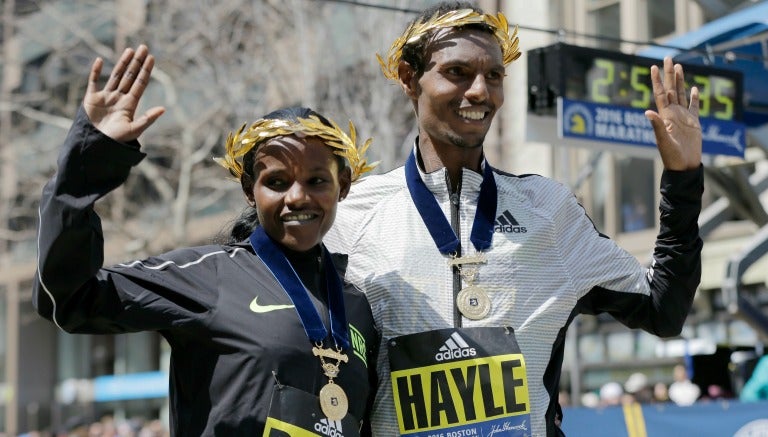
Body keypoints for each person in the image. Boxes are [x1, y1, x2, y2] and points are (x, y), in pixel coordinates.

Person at [323, 1, 703, 436]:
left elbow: (663, 309)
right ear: (410, 78)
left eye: (494, 76)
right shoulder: (352, 215)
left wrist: (683, 178)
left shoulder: (548, 210)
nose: (480, 92)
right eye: (457, 72)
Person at [32, 44, 379, 436]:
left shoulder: (356, 304)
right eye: (277, 182)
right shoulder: (209, 276)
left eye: (316, 181)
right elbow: (70, 299)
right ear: (250, 190)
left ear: (342, 186)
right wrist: (88, 164)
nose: (297, 197)